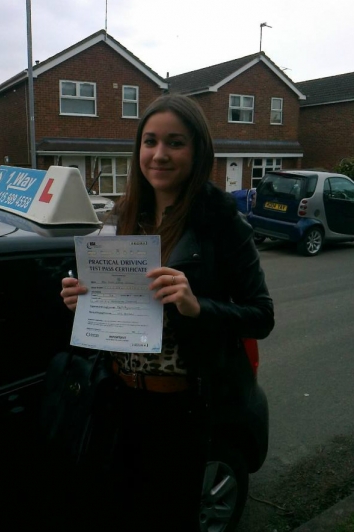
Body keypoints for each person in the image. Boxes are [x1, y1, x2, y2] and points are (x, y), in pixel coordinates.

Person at [60, 93, 275, 531]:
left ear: (197, 151)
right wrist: (83, 301)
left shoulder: (221, 221)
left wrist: (197, 307)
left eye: (175, 143)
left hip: (181, 408)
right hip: (119, 397)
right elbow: (117, 308)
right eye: (150, 141)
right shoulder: (124, 216)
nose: (159, 154)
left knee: (168, 518)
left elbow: (261, 315)